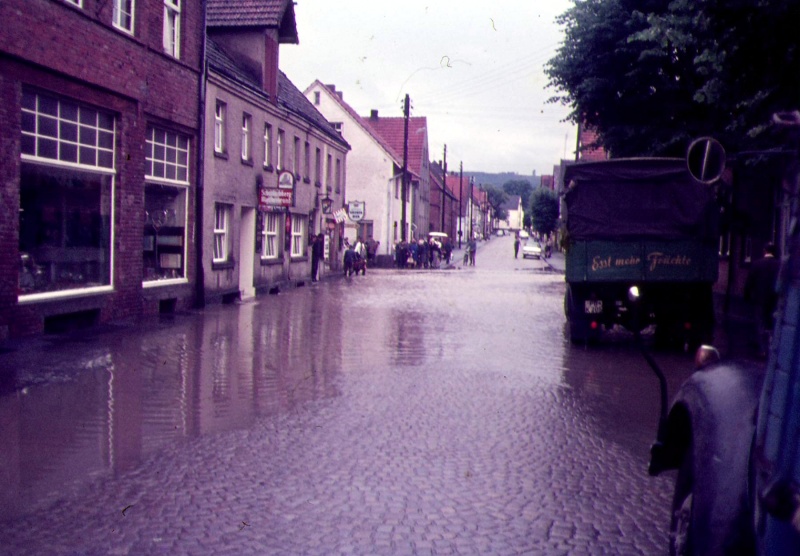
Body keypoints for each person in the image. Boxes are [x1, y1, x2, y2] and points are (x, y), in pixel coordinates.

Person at [745, 243, 781, 357]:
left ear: (765, 251)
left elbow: (749, 282)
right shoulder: (779, 265)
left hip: (759, 299)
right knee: (772, 322)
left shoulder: (756, 264)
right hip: (774, 299)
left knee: (760, 323)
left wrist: (746, 296)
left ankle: (762, 349)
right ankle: (772, 347)